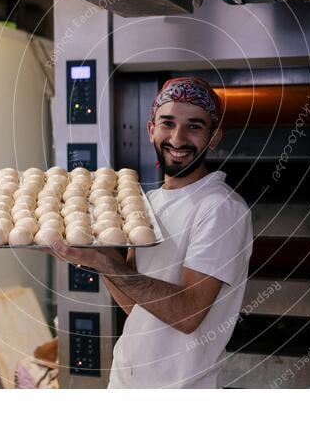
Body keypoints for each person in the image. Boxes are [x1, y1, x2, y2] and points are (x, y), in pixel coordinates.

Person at [49, 77, 253, 388]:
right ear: (151, 130)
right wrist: (98, 257)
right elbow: (137, 306)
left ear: (214, 137)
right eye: (167, 123)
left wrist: (109, 264)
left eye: (194, 126)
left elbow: (187, 314)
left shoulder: (220, 208)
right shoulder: (148, 203)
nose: (178, 138)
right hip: (125, 382)